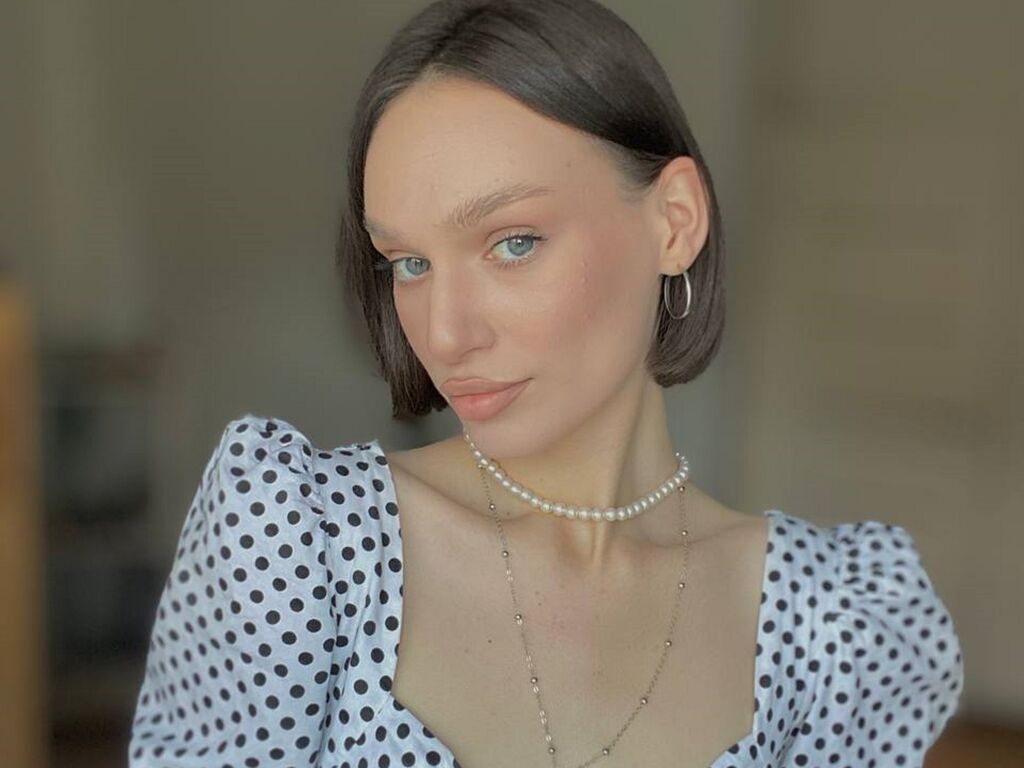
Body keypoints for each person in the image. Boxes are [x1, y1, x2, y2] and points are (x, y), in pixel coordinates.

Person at [128, 1, 964, 766]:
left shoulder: (833, 627)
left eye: (513, 242)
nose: (446, 334)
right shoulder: (299, 546)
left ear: (674, 222)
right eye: (408, 263)